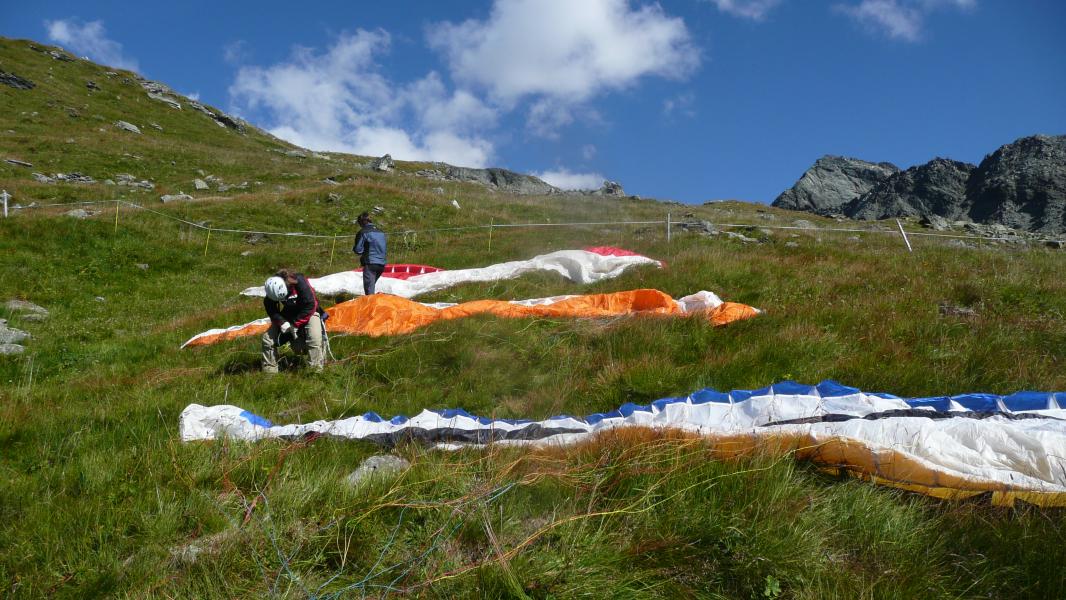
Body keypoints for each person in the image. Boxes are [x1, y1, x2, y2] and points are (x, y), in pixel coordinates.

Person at [261, 269, 326, 373]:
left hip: (309, 312)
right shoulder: (272, 288)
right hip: (289, 314)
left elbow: (310, 305)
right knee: (267, 339)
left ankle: (315, 370)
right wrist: (282, 322)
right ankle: (270, 372)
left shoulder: (300, 282)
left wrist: (295, 325)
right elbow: (270, 308)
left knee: (314, 337)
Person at [352, 211, 387, 295]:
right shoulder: (381, 232)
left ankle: (372, 307)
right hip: (382, 264)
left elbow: (358, 250)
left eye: (359, 222)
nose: (359, 225)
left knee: (369, 293)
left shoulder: (363, 232)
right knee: (371, 287)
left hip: (370, 264)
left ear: (363, 221)